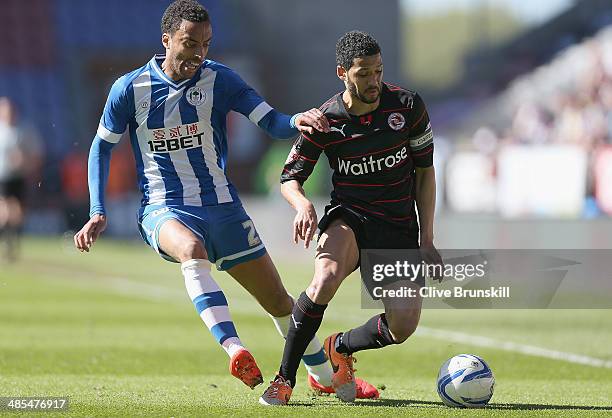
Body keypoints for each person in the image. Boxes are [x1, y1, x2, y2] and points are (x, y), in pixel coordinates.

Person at [73, 0, 377, 398]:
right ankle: (235, 349)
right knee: (191, 249)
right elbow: (101, 148)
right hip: (164, 208)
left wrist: (296, 120)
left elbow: (271, 121)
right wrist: (97, 210)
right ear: (167, 40)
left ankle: (323, 375)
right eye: (189, 43)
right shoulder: (130, 88)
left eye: (206, 44)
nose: (199, 52)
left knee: (281, 302)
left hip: (223, 208)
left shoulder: (221, 79)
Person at [259, 30, 443, 405]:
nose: (373, 81)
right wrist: (303, 205)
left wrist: (427, 239)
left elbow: (425, 173)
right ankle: (284, 378)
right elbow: (289, 179)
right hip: (351, 218)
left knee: (402, 327)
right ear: (342, 72)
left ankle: (339, 346)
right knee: (324, 277)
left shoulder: (407, 106)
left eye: (378, 71)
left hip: (398, 226)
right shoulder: (325, 120)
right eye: (363, 73)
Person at [0, 97, 42, 261]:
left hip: (19, 176)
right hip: (3, 176)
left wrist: (24, 161)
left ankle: (12, 240)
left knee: (18, 213)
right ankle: (8, 243)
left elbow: (36, 154)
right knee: (6, 210)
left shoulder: (24, 130)